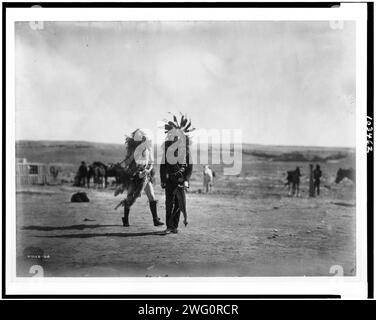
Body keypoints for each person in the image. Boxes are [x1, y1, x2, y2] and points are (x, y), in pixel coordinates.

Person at [114, 129, 164, 227]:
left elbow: (151, 163)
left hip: (146, 176)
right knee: (130, 197)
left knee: (152, 197)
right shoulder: (134, 151)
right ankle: (125, 219)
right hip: (134, 177)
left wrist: (147, 170)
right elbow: (128, 163)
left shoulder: (148, 150)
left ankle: (155, 220)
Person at [160, 114, 194, 234]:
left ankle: (175, 225)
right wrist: (163, 179)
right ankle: (169, 226)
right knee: (169, 203)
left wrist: (186, 179)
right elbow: (162, 165)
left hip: (180, 180)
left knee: (179, 204)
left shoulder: (186, 151)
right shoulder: (168, 150)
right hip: (169, 180)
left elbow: (189, 167)